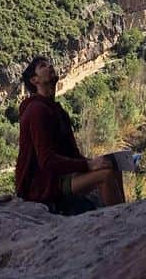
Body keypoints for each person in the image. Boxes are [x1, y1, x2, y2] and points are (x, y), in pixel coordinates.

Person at [14, 56, 125, 213]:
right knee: (105, 176)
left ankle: (121, 213)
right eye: (43, 66)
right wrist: (88, 165)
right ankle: (119, 222)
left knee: (112, 166)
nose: (50, 67)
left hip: (59, 176)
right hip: (42, 185)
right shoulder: (36, 110)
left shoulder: (57, 111)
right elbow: (47, 161)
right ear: (34, 80)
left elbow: (72, 153)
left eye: (50, 64)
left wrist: (93, 162)